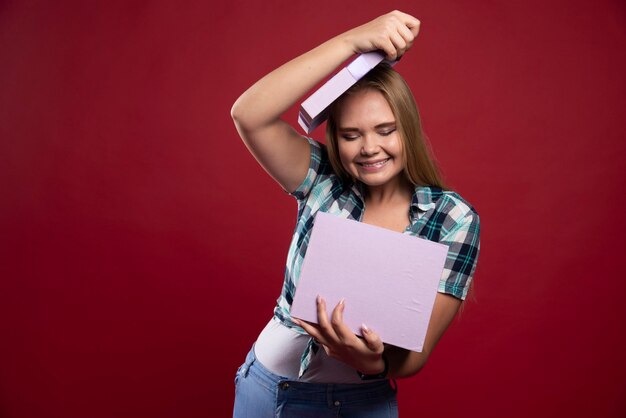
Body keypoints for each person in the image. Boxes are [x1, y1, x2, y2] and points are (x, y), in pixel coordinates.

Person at [230, 10, 480, 417]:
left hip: (356, 405)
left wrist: (370, 362)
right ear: (335, 138)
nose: (369, 148)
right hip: (263, 390)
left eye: (385, 130)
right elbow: (249, 114)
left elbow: (413, 357)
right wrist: (352, 42)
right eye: (351, 135)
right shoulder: (323, 177)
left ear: (408, 130)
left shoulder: (451, 218)